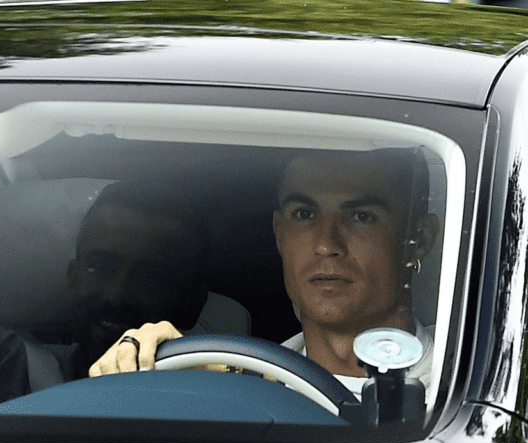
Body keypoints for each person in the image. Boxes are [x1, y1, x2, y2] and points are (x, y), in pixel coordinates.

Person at [89, 148, 439, 401]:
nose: (326, 244)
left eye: (361, 217)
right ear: (279, 233)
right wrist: (145, 369)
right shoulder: (236, 387)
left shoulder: (476, 386)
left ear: (419, 240)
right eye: (304, 214)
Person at [51, 181, 212, 381]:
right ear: (72, 278)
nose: (116, 296)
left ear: (191, 306)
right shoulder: (12, 366)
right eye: (100, 266)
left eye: (150, 277)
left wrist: (207, 376)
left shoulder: (212, 399)